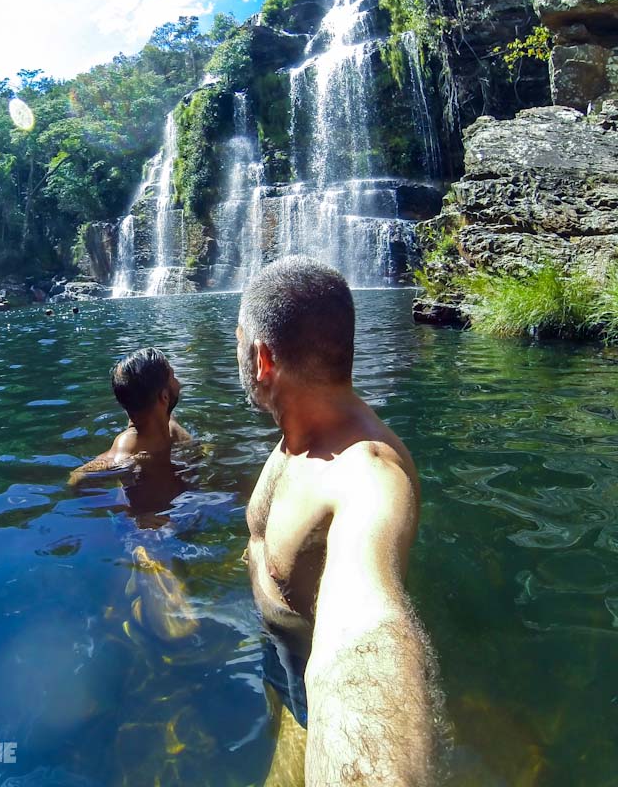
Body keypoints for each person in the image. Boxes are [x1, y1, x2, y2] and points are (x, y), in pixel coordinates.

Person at [237, 256, 444, 786]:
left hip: (317, 689)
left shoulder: (366, 474)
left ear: (262, 358)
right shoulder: (299, 437)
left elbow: (368, 632)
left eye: (236, 339)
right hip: (275, 655)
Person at [68, 347, 192, 486]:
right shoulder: (128, 450)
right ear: (164, 397)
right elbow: (76, 479)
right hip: (150, 506)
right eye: (173, 377)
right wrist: (128, 465)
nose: (179, 383)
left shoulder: (167, 420)